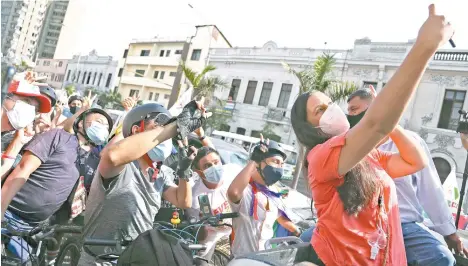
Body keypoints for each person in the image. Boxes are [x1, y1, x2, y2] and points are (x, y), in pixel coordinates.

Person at [290, 5, 453, 265]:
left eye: (330, 102)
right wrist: (426, 45)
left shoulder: (368, 156)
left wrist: (393, 127)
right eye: (320, 110)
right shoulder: (321, 156)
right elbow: (377, 125)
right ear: (310, 128)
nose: (333, 109)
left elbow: (415, 162)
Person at [346, 88, 468, 265]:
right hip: (357, 225)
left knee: (441, 258)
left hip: (402, 225)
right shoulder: (347, 143)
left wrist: (449, 232)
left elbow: (431, 189)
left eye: (355, 109)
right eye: (349, 110)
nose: (350, 115)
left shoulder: (411, 143)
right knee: (309, 240)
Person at [78, 100, 209, 265]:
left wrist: (184, 172)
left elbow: (183, 200)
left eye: (168, 133)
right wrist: (175, 126)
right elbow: (112, 156)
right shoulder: (122, 166)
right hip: (100, 258)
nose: (166, 137)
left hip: (137, 258)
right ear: (136, 130)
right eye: (159, 128)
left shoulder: (161, 172)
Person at [227, 138, 301, 257]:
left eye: (282, 164)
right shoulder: (246, 190)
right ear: (259, 163)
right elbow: (234, 192)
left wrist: (298, 232)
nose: (280, 168)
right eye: (275, 162)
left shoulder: (272, 192)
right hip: (242, 259)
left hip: (264, 258)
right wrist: (253, 160)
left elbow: (279, 217)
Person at [185, 145, 243, 264]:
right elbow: (200, 236)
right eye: (207, 166)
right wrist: (202, 224)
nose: (214, 167)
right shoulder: (199, 197)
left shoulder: (233, 172)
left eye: (216, 162)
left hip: (239, 235)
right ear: (199, 172)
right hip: (213, 245)